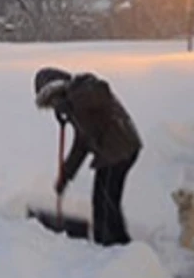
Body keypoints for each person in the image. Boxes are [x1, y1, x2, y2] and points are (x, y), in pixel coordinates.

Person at [33, 67, 143, 246]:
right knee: (104, 199)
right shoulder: (76, 112)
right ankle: (111, 240)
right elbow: (81, 145)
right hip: (113, 151)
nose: (54, 106)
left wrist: (71, 102)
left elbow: (102, 91)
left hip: (119, 147)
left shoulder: (82, 87)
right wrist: (65, 175)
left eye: (52, 101)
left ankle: (113, 242)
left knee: (105, 199)